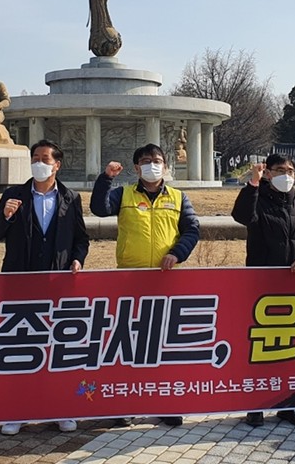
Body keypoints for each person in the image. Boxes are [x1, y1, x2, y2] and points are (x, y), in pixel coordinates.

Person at [90, 143, 199, 427]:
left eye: (157, 160)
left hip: (166, 281)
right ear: (137, 168)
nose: (153, 165)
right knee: (129, 345)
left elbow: (192, 230)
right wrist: (106, 179)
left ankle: (165, 402)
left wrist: (177, 253)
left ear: (165, 166)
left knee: (164, 345)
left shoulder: (178, 197)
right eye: (147, 161)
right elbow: (99, 209)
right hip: (130, 280)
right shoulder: (124, 194)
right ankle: (127, 404)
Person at [0, 139, 90, 435]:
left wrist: (78, 259)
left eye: (45, 158)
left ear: (57, 165)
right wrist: (5, 216)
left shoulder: (70, 197)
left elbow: (81, 238)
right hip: (20, 283)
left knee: (57, 348)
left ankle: (60, 408)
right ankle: (17, 411)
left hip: (57, 284)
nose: (39, 163)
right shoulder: (14, 195)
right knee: (21, 348)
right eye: (35, 158)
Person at [231, 153, 295, 428]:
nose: (287, 175)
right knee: (260, 349)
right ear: (268, 173)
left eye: (290, 170)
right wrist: (253, 183)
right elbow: (241, 215)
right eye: (280, 170)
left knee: (292, 349)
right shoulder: (258, 201)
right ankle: (256, 405)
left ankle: (288, 405)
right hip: (262, 288)